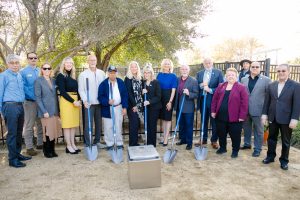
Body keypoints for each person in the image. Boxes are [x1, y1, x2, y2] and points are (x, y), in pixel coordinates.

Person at [261, 64, 300, 170]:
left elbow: (297, 104)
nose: (281, 73)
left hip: (287, 118)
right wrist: (264, 115)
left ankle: (284, 161)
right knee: (271, 138)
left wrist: (295, 118)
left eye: (283, 71)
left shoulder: (296, 85)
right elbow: (267, 102)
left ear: (288, 72)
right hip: (273, 117)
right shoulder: (271, 85)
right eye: (279, 71)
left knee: (285, 141)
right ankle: (270, 156)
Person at [0, 54, 31, 168]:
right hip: (10, 106)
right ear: (7, 64)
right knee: (12, 134)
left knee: (18, 133)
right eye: (12, 63)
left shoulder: (19, 75)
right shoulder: (3, 76)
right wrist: (1, 111)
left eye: (16, 63)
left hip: (20, 106)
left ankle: (17, 154)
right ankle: (12, 159)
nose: (14, 65)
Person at [211, 68, 248, 158]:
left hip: (235, 117)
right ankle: (223, 148)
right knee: (221, 133)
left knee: (235, 135)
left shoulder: (241, 87)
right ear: (226, 76)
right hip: (220, 116)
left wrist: (242, 116)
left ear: (236, 76)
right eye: (228, 75)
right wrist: (213, 111)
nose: (230, 76)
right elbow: (214, 100)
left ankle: (235, 150)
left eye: (232, 75)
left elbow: (245, 103)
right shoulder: (221, 85)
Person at [240, 61, 271, 157]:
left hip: (259, 110)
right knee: (246, 128)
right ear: (250, 68)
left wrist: (266, 112)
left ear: (260, 68)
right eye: (253, 66)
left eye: (257, 67)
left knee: (259, 130)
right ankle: (247, 144)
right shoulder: (244, 79)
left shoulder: (266, 80)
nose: (254, 68)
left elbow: (269, 97)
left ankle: (257, 148)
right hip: (246, 109)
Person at [78, 55, 105, 148]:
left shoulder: (102, 73)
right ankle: (88, 143)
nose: (92, 62)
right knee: (88, 124)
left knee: (99, 123)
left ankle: (97, 141)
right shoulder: (83, 74)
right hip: (89, 103)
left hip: (99, 103)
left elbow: (104, 87)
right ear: (88, 62)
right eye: (91, 60)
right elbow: (81, 90)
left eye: (94, 60)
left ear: (96, 61)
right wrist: (85, 100)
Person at [98, 65, 128, 149]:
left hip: (118, 107)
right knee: (108, 127)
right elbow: (100, 97)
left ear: (116, 73)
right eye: (111, 73)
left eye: (114, 73)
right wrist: (107, 101)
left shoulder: (120, 82)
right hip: (107, 108)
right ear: (108, 73)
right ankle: (110, 144)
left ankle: (119, 143)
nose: (112, 74)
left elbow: (125, 95)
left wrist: (124, 107)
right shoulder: (103, 84)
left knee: (118, 126)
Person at [196, 58, 224, 149]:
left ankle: (214, 140)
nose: (207, 65)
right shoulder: (199, 73)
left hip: (213, 100)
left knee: (214, 121)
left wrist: (210, 90)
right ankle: (203, 139)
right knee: (203, 120)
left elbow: (222, 86)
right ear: (203, 64)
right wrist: (202, 85)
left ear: (212, 63)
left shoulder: (218, 72)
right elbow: (197, 85)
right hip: (203, 99)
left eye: (209, 63)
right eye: (206, 63)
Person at [34, 63, 61, 158]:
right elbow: (38, 98)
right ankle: (47, 151)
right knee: (47, 132)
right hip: (45, 111)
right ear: (41, 70)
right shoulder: (38, 81)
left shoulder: (53, 81)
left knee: (53, 131)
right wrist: (44, 111)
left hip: (54, 111)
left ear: (51, 70)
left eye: (49, 68)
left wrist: (58, 112)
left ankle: (52, 150)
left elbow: (54, 97)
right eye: (45, 68)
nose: (47, 70)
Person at [56, 57, 81, 154]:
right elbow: (62, 92)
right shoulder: (61, 76)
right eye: (67, 63)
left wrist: (78, 100)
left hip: (75, 101)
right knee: (67, 125)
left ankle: (73, 144)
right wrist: (73, 101)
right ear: (63, 64)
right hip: (67, 102)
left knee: (73, 124)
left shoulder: (74, 76)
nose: (69, 64)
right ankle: (68, 145)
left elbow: (77, 90)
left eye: (71, 63)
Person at [20, 52, 43, 156]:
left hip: (40, 102)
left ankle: (40, 143)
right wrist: (35, 97)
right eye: (31, 58)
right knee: (29, 125)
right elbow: (23, 87)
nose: (33, 59)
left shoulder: (40, 70)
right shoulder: (23, 72)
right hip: (30, 102)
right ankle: (29, 147)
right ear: (28, 59)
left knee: (40, 123)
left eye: (35, 57)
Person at [174, 64, 199, 150]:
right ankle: (183, 140)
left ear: (188, 71)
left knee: (188, 125)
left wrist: (189, 93)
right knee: (181, 125)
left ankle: (189, 142)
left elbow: (196, 94)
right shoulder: (177, 79)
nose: (184, 70)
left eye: (186, 69)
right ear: (180, 70)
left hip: (188, 107)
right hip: (179, 106)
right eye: (182, 69)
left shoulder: (193, 81)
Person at [156, 59, 177, 146]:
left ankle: (166, 139)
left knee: (167, 119)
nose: (166, 65)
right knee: (163, 119)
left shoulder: (173, 76)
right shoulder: (159, 75)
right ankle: (164, 137)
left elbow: (173, 90)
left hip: (168, 97)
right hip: (160, 98)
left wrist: (170, 102)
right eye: (165, 64)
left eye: (168, 64)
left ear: (170, 66)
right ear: (162, 65)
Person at [124, 61, 144, 146]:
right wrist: (134, 105)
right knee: (134, 123)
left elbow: (141, 90)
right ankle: (132, 143)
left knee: (137, 124)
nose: (134, 68)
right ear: (130, 68)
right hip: (132, 105)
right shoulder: (128, 78)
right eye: (132, 67)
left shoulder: (140, 78)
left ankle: (135, 142)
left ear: (137, 68)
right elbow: (128, 93)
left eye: (135, 67)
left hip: (140, 104)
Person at [142, 64, 162, 147]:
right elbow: (142, 96)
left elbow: (158, 96)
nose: (147, 74)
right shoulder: (143, 82)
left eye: (148, 73)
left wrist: (149, 102)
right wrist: (142, 93)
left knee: (152, 125)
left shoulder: (156, 82)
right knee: (147, 124)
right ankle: (148, 141)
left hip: (154, 107)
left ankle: (152, 144)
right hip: (146, 108)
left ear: (151, 73)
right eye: (145, 73)